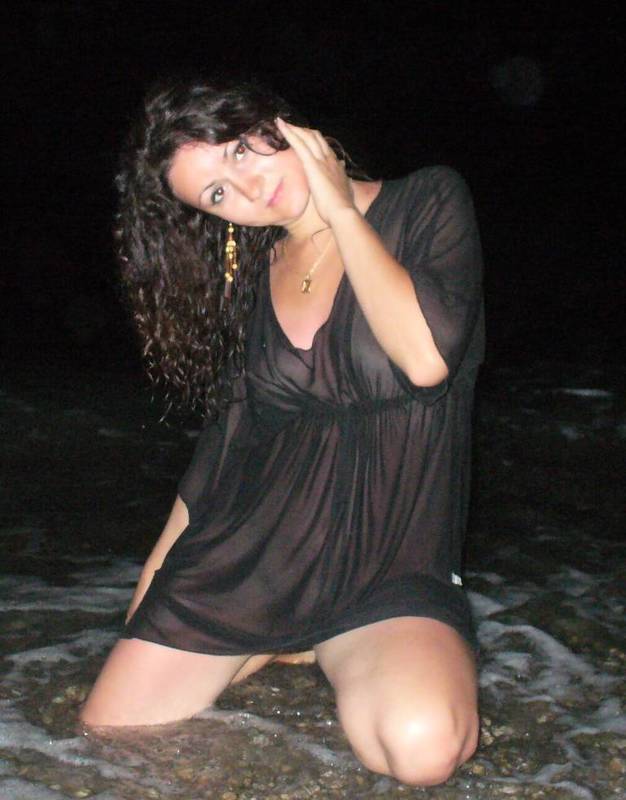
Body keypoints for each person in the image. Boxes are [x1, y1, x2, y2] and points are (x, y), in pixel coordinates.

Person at [80, 78, 485, 787]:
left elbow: (424, 360)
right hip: (257, 565)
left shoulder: (428, 199)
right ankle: (276, 639)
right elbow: (220, 460)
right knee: (110, 730)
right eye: (216, 194)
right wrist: (144, 615)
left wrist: (339, 209)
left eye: (239, 152)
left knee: (423, 752)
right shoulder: (249, 278)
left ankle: (321, 644)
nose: (247, 189)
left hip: (392, 566)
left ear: (275, 123)